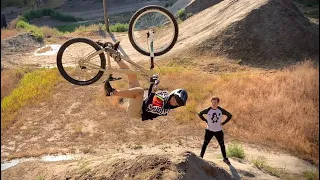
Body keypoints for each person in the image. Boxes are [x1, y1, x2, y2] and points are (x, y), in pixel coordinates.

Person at [103, 42, 188, 121]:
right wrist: (153, 82)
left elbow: (148, 104)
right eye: (176, 98)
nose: (175, 102)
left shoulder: (164, 111)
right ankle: (114, 56)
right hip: (138, 102)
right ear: (172, 94)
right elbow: (152, 93)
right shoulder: (164, 94)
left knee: (140, 91)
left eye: (178, 103)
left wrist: (152, 87)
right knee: (132, 75)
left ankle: (112, 92)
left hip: (137, 112)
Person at [198, 96, 232, 164]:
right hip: (209, 130)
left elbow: (229, 115)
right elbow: (200, 113)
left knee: (222, 145)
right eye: (212, 102)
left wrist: (223, 123)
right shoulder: (208, 109)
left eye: (215, 102)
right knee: (205, 144)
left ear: (218, 103)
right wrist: (205, 120)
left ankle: (225, 158)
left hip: (218, 131)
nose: (213, 104)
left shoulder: (221, 110)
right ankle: (200, 157)